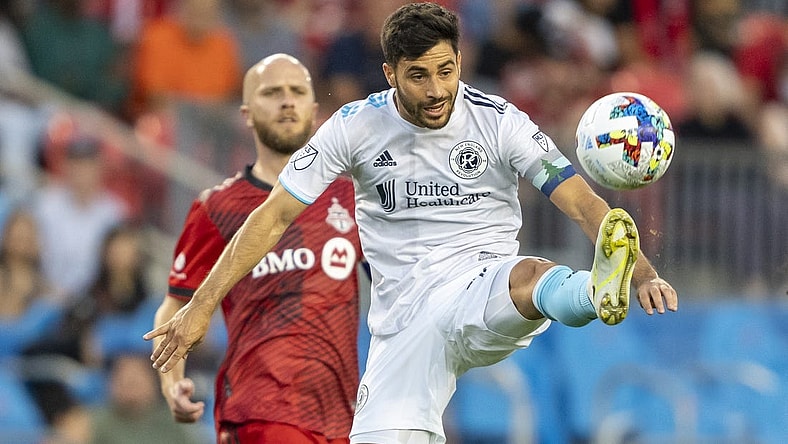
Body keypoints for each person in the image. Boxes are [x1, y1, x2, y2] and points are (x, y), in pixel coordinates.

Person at [146, 4, 678, 444]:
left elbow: (581, 202)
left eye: (446, 71)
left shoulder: (499, 121)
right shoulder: (355, 126)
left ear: (460, 61)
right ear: (390, 74)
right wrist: (202, 306)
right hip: (404, 322)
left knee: (529, 277)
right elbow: (272, 216)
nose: (436, 89)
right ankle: (589, 289)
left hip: (479, 282)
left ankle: (593, 291)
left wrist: (644, 274)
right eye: (418, 76)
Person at [149, 53, 364, 443]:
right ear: (246, 114)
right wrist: (171, 381)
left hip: (342, 418)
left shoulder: (351, 198)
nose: (287, 101)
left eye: (297, 91)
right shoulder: (218, 207)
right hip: (260, 410)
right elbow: (176, 303)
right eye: (272, 92)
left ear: (314, 109)